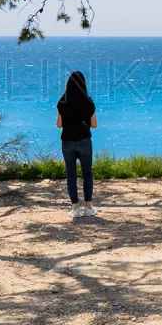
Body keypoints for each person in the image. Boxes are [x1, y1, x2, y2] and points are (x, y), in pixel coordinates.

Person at [56, 70, 98, 218]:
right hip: (84, 141)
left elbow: (59, 125)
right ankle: (88, 207)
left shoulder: (62, 102)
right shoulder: (88, 102)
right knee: (87, 173)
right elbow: (94, 125)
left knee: (71, 175)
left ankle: (75, 209)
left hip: (67, 142)